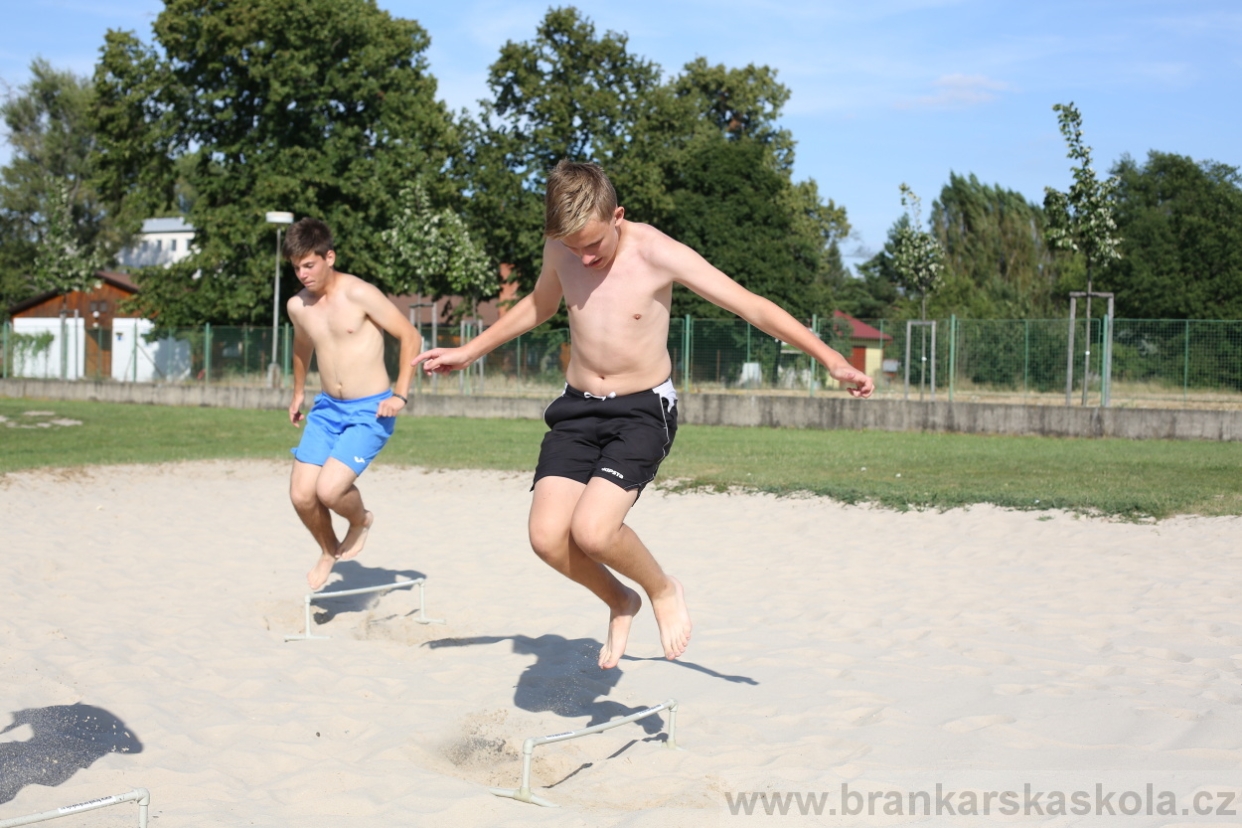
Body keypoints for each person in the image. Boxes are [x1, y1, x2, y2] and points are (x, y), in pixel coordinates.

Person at [414, 161, 874, 669]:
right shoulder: (561, 246)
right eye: (572, 248)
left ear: (618, 216)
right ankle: (620, 600)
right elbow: (540, 305)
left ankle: (660, 590)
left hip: (641, 410)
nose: (583, 258)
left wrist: (831, 358)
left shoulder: (658, 252)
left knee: (593, 531)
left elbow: (752, 306)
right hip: (577, 408)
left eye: (593, 245)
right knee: (546, 538)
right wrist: (470, 350)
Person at [284, 218, 419, 590]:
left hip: (370, 410)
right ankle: (328, 550)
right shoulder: (298, 305)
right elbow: (301, 347)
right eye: (296, 267)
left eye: (308, 264)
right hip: (327, 410)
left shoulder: (359, 293)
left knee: (329, 490)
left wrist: (400, 394)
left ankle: (360, 521)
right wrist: (298, 392)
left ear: (329, 257)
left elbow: (410, 336)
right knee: (301, 495)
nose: (302, 273)